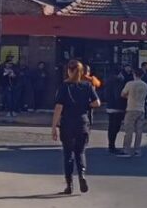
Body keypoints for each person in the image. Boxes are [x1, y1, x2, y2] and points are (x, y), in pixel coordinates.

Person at [51, 59, 100, 195]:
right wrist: (86, 105)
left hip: (67, 123)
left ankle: (69, 185)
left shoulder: (64, 87)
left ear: (69, 70)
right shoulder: (87, 86)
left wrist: (54, 126)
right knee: (80, 152)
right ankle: (82, 176)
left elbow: (58, 107)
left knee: (68, 154)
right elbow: (97, 103)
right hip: (83, 122)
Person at [120, 68, 147, 157]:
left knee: (129, 130)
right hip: (141, 109)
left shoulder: (130, 84)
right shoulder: (145, 85)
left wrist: (128, 97)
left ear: (134, 74)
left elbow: (122, 94)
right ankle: (137, 150)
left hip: (131, 108)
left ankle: (126, 149)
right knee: (139, 131)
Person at [104, 66, 130, 155]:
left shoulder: (108, 80)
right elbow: (118, 94)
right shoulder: (118, 81)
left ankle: (110, 145)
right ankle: (112, 146)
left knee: (111, 126)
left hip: (110, 106)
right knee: (115, 127)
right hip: (117, 107)